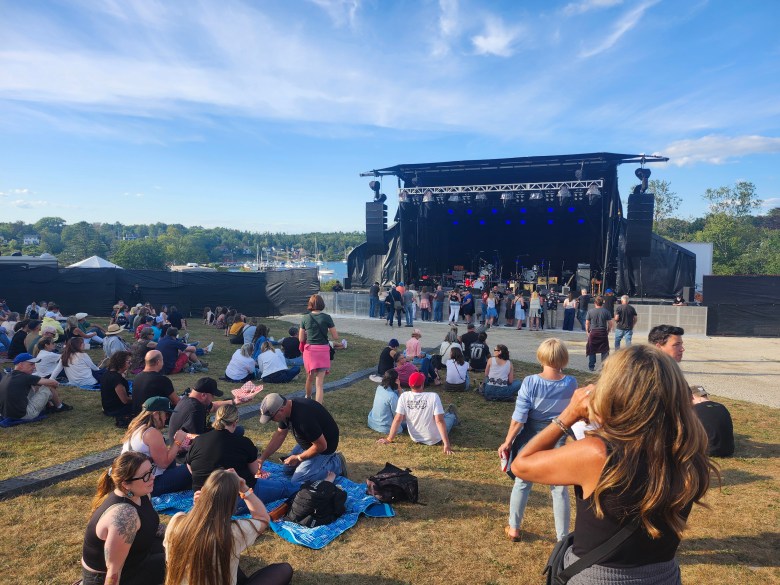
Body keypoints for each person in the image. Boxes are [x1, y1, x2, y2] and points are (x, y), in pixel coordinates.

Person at [510, 345, 716, 583]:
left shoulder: (598, 454)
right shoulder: (689, 450)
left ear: (614, 391)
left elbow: (521, 465)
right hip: (664, 575)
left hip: (599, 577)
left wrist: (568, 415)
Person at [498, 338, 577, 542]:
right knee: (559, 488)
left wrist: (507, 442)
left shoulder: (531, 382)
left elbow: (519, 418)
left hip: (532, 437)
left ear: (541, 356)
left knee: (522, 482)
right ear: (563, 358)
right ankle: (562, 538)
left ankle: (514, 527)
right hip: (559, 437)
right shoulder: (571, 383)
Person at [163, 468, 293, 585]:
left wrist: (198, 507)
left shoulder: (177, 521)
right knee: (283, 570)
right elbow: (263, 518)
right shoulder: (234, 532)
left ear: (203, 492)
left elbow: (198, 529)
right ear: (232, 504)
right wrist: (245, 490)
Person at [80, 451, 165, 585]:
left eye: (151, 470)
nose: (152, 477)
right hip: (114, 577)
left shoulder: (141, 494)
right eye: (145, 476)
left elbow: (150, 525)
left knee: (185, 549)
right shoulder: (124, 516)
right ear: (126, 484)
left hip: (135, 558)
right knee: (184, 562)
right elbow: (113, 573)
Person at [186, 405, 299, 505]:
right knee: (285, 487)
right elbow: (254, 471)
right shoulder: (243, 443)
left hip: (202, 498)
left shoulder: (198, 440)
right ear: (235, 422)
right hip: (235, 499)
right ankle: (312, 488)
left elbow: (190, 467)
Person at [257, 393, 348, 483]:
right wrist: (262, 458)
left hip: (324, 448)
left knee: (298, 480)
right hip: (309, 442)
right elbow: (280, 435)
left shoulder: (304, 419)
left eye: (272, 418)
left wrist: (298, 458)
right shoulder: (286, 409)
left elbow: (321, 446)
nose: (272, 421)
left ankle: (337, 464)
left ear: (281, 410)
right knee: (287, 470)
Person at [121, 397, 192, 496]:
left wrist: (178, 449)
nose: (166, 418)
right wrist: (178, 442)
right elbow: (164, 463)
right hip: (149, 484)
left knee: (179, 465)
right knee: (195, 467)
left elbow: (156, 456)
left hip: (134, 482)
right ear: (155, 414)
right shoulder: (152, 433)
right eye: (165, 414)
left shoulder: (137, 428)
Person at [378, 371, 458, 455]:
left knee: (440, 416)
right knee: (450, 417)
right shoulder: (433, 396)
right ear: (422, 384)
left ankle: (447, 413)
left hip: (415, 437)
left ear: (409, 384)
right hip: (434, 439)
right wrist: (446, 444)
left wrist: (389, 439)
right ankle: (451, 413)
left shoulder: (404, 396)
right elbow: (439, 421)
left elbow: (397, 419)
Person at [167, 377, 245, 441]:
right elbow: (197, 440)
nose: (213, 398)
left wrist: (235, 401)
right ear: (203, 395)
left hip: (181, 445)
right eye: (212, 396)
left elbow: (214, 406)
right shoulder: (196, 410)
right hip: (185, 452)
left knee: (237, 429)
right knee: (237, 431)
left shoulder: (187, 400)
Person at [0, 353, 70, 419]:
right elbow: (53, 383)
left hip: (5, 414)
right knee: (49, 386)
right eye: (31, 364)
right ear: (21, 365)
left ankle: (49, 404)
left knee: (36, 385)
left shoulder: (6, 376)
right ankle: (59, 407)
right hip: (23, 415)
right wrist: (56, 384)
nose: (34, 367)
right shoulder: (26, 377)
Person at [299, 294, 341, 403]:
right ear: (322, 304)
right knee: (319, 383)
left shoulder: (305, 318)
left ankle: (308, 398)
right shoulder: (327, 317)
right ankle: (318, 408)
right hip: (323, 350)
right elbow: (335, 337)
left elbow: (300, 338)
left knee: (309, 377)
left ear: (310, 304)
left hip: (310, 351)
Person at [691, 384, 735, 457]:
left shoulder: (694, 410)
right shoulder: (722, 407)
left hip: (708, 450)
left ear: (691, 397)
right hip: (728, 450)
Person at [131, 350, 180, 415]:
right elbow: (176, 401)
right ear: (158, 362)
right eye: (162, 359)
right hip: (154, 416)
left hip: (138, 415)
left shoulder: (137, 377)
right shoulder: (162, 380)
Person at [367, 370, 405, 434]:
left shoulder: (380, 387)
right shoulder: (392, 396)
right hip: (385, 427)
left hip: (372, 422)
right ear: (395, 381)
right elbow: (397, 415)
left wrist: (399, 388)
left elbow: (401, 393)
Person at [100, 350, 133, 420]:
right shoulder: (116, 378)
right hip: (116, 410)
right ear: (121, 362)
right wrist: (138, 399)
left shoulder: (106, 374)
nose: (130, 364)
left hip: (108, 408)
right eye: (129, 362)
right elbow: (125, 400)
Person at [585, 296, 614, 372]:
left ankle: (591, 367)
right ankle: (604, 367)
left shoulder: (590, 311)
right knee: (604, 350)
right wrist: (608, 331)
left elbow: (587, 323)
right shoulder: (606, 311)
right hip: (602, 332)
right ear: (602, 303)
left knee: (592, 350)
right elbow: (611, 324)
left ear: (595, 303)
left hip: (593, 332)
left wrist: (587, 331)